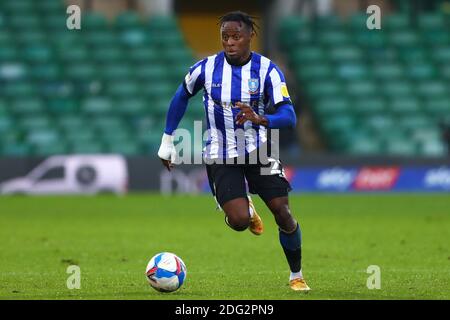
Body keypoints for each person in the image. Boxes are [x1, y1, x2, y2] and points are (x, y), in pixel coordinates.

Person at [157, 11, 310, 291]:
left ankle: (296, 275)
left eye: (236, 36)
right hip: (220, 152)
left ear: (251, 36)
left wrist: (262, 118)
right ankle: (247, 209)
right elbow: (181, 96)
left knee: (282, 211)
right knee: (239, 221)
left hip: (259, 148)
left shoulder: (267, 71)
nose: (229, 42)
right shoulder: (205, 68)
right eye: (225, 37)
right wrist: (167, 140)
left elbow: (289, 117)